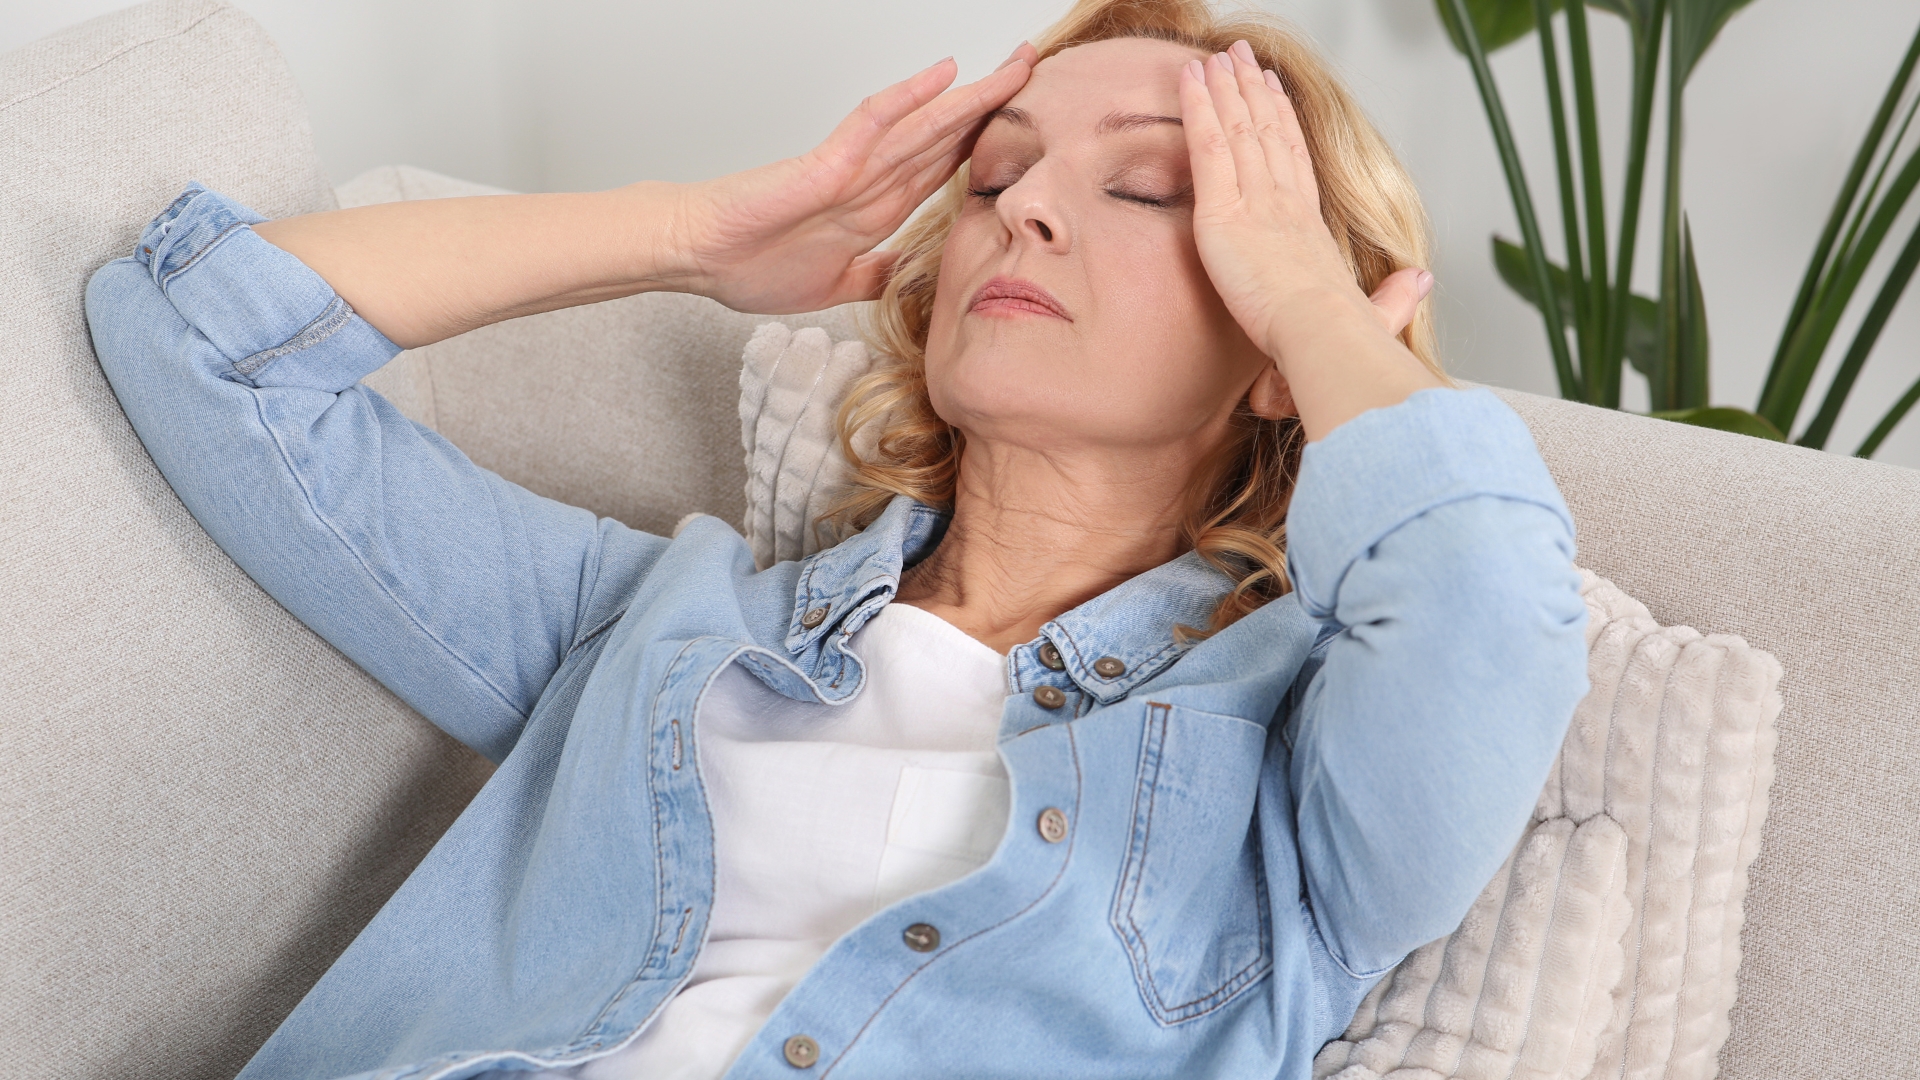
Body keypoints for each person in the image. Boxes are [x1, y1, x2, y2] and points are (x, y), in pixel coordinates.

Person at [84, 0, 1589, 1076]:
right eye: (993, 176)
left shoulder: (1293, 792)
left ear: (1270, 335)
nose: (1028, 211)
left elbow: (1497, 603)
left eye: (1151, 189)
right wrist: (689, 237)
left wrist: (1320, 314)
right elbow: (198, 336)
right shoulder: (652, 620)